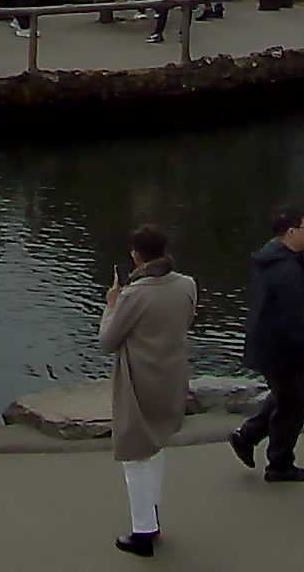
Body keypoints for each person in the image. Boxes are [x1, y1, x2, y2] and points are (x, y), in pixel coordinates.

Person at [100, 225, 196, 557]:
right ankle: (151, 516)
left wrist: (111, 305)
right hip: (171, 376)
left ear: (136, 255)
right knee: (156, 446)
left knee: (135, 453)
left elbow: (108, 341)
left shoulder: (134, 294)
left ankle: (143, 530)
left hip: (138, 379)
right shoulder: (186, 285)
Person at [228, 206, 304, 484]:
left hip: (273, 347)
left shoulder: (275, 261)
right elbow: (296, 316)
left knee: (286, 396)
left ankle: (247, 437)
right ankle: (279, 463)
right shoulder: (286, 269)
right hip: (284, 350)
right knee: (295, 405)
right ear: (291, 231)